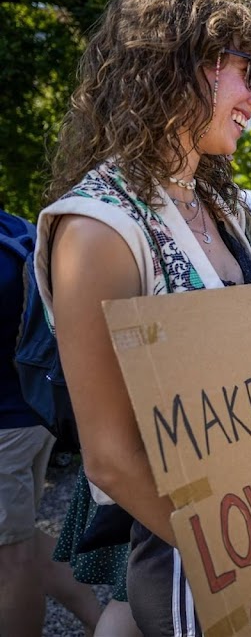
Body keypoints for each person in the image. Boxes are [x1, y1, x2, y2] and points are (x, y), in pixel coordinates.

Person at [36, 0, 251, 635]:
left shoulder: (217, 205)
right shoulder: (97, 228)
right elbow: (111, 457)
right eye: (245, 74)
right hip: (204, 558)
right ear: (178, 71)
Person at [1, 209, 103, 636]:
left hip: (5, 427)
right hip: (33, 411)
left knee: (9, 561)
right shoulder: (17, 228)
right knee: (19, 541)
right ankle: (100, 620)